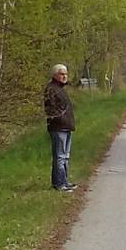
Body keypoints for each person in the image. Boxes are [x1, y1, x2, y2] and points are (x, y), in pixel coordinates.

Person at [44, 64, 77, 192]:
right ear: (55, 75)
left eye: (66, 74)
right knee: (60, 156)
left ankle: (63, 181)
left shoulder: (60, 89)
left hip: (66, 127)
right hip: (58, 128)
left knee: (65, 156)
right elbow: (50, 110)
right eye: (62, 74)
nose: (64, 76)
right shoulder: (51, 89)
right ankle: (59, 184)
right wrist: (61, 118)